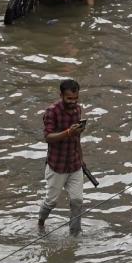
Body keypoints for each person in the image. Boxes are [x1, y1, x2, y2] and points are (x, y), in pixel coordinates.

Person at [39, 78, 86, 233]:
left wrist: (81, 158)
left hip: (74, 164)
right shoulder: (52, 112)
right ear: (61, 95)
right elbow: (48, 137)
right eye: (69, 98)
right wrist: (68, 132)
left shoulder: (78, 110)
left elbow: (76, 137)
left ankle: (75, 235)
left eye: (75, 98)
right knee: (51, 202)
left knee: (77, 201)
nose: (73, 102)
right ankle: (40, 223)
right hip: (57, 166)